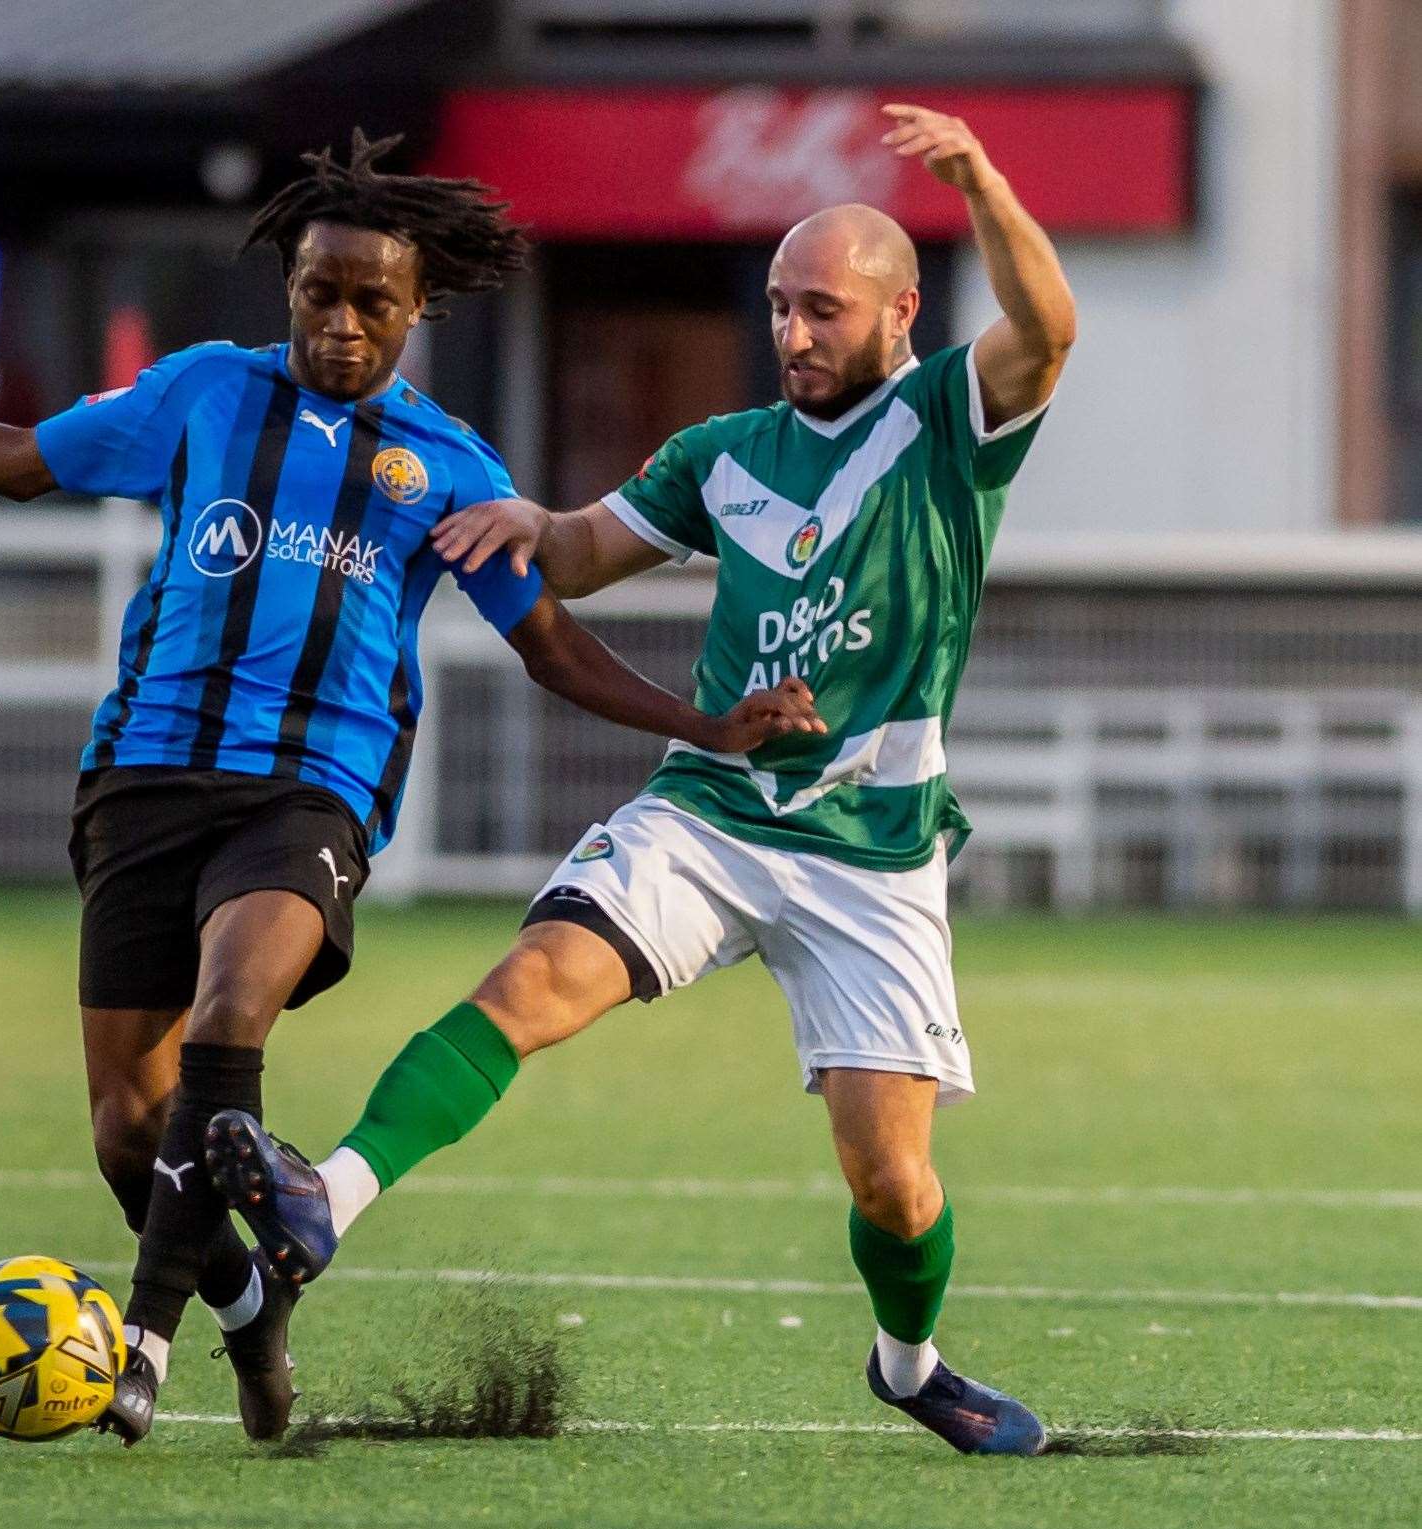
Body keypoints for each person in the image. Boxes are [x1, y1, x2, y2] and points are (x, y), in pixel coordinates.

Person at [0, 131, 821, 1446]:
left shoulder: (447, 469)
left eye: (372, 304)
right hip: (145, 779)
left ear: (418, 312)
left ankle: (147, 1343)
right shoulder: (199, 396)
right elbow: (19, 463)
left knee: (233, 1017)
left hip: (310, 793)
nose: (342, 324)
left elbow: (551, 645)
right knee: (131, 1128)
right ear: (288, 289)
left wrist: (707, 726)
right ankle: (252, 1301)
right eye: (319, 295)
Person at [204, 105, 1077, 1457]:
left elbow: (1052, 330)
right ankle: (332, 1189)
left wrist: (985, 182)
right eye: (782, 308)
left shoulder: (947, 420)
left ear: (902, 314)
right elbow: (586, 545)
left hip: (874, 849)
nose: (794, 334)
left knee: (893, 1183)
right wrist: (525, 528)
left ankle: (909, 1367)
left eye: (825, 312)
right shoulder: (721, 456)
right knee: (534, 980)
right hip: (713, 815)